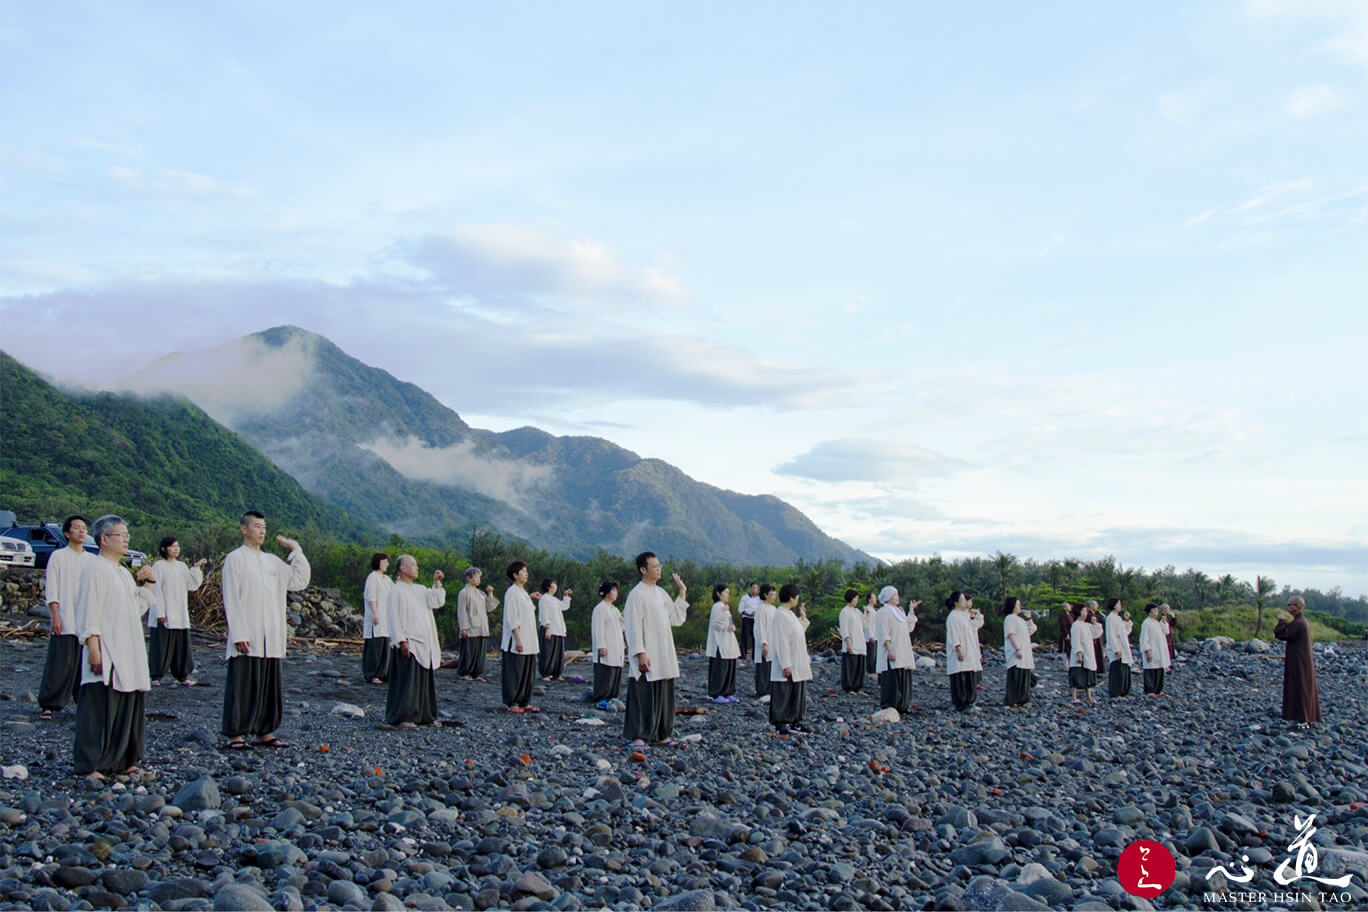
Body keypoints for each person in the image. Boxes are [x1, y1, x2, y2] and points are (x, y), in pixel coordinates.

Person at [72, 515, 156, 778]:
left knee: (128, 702)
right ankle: (91, 764)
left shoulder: (121, 572)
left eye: (127, 535)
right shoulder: (95, 569)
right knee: (99, 706)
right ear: (104, 539)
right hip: (107, 647)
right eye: (121, 535)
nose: (126, 539)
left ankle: (122, 759)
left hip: (129, 647)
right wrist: (93, 646)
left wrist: (148, 584)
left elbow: (136, 610)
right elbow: (89, 610)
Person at [220, 510, 310, 750]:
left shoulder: (272, 561)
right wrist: (238, 633)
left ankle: (265, 731)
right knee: (243, 683)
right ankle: (236, 734)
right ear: (244, 528)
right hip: (248, 633)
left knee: (269, 684)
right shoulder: (235, 558)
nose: (262, 531)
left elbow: (299, 580)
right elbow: (231, 597)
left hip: (272, 634)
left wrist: (296, 549)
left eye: (264, 527)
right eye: (257, 526)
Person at [623, 552, 689, 749]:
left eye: (660, 565)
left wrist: (682, 591)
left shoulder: (661, 593)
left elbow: (676, 618)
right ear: (643, 570)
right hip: (647, 651)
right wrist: (639, 652)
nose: (659, 569)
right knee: (642, 693)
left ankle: (661, 734)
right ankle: (639, 735)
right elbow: (633, 625)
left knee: (663, 693)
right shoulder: (637, 594)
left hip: (664, 651)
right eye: (655, 566)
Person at [39, 515, 95, 720]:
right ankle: (49, 703)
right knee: (60, 663)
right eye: (77, 528)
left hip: (86, 620)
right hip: (66, 617)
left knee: (85, 665)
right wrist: (55, 615)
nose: (82, 531)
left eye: (84, 528)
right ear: (66, 533)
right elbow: (52, 588)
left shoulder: (92, 560)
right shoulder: (59, 556)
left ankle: (86, 704)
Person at [384, 556, 446, 727]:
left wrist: (436, 583)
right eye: (413, 565)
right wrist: (401, 641)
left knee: (424, 681)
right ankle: (406, 716)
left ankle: (426, 715)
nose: (416, 568)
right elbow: (393, 617)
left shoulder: (420, 589)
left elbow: (437, 601)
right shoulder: (395, 590)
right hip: (409, 641)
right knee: (408, 682)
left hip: (424, 642)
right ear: (402, 568)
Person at [146, 537, 207, 686]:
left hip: (179, 612)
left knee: (181, 645)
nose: (176, 549)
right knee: (160, 646)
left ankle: (182, 675)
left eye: (177, 546)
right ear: (163, 549)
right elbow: (156, 590)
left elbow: (191, 585)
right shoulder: (158, 566)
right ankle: (156, 676)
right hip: (165, 612)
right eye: (172, 546)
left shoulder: (182, 567)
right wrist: (159, 611)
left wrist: (196, 568)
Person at [768, 584, 812, 735]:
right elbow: (782, 641)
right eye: (797, 597)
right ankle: (780, 722)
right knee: (783, 691)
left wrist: (804, 618)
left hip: (797, 658)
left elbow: (798, 633)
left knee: (797, 690)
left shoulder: (790, 614)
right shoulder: (780, 614)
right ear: (792, 597)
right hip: (788, 660)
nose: (797, 600)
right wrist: (785, 664)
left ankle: (795, 720)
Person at [1273, 596, 1321, 725]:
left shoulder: (1298, 623)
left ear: (1298, 607)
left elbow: (1282, 634)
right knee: (1302, 686)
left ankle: (1303, 718)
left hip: (1299, 661)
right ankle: (1303, 717)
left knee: (1301, 687)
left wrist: (1281, 621)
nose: (1288, 608)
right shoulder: (1301, 621)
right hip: (1301, 659)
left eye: (1291, 605)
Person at [500, 561, 540, 714]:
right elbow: (512, 617)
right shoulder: (512, 592)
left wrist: (530, 596)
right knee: (514, 671)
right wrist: (517, 638)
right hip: (517, 638)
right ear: (515, 575)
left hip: (529, 638)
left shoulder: (523, 592)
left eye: (526, 571)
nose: (526, 573)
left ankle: (524, 700)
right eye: (523, 571)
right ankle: (513, 702)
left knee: (527, 671)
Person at [875, 585, 917, 713]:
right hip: (892, 649)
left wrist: (911, 611)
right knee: (891, 677)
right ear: (888, 597)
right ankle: (890, 704)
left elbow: (908, 628)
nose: (897, 597)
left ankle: (902, 704)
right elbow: (884, 632)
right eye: (894, 595)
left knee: (903, 675)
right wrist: (890, 649)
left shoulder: (899, 612)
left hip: (903, 649)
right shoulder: (883, 612)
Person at [456, 567, 498, 681]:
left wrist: (490, 594)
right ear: (469, 578)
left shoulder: (481, 593)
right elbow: (461, 611)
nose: (478, 579)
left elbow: (490, 608)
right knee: (469, 650)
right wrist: (463, 628)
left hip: (482, 626)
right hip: (470, 626)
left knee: (480, 652)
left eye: (479, 577)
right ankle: (464, 672)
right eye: (476, 577)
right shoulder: (464, 592)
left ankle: (477, 673)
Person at [945, 591, 984, 711]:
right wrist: (958, 647)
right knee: (960, 675)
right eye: (962, 600)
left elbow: (976, 624)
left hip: (970, 649)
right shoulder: (953, 616)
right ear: (956, 602)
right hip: (961, 649)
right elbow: (953, 634)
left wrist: (977, 614)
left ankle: (970, 701)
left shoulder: (965, 615)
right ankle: (960, 703)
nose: (964, 602)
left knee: (969, 675)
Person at [590, 580, 625, 709]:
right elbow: (597, 629)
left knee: (615, 671)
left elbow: (621, 626)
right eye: (614, 590)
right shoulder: (600, 609)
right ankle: (601, 697)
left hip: (616, 646)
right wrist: (601, 646)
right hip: (606, 646)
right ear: (607, 593)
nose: (616, 593)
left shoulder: (614, 609)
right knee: (605, 672)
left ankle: (612, 697)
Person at [362, 553, 393, 685]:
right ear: (379, 562)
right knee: (375, 648)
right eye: (385, 562)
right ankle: (372, 674)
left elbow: (394, 592)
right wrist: (374, 613)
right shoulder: (372, 577)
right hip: (376, 616)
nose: (387, 564)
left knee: (386, 647)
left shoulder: (386, 579)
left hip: (386, 618)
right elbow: (371, 597)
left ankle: (383, 673)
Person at [536, 577, 572, 681]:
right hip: (550, 629)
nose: (556, 586)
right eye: (554, 584)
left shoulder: (554, 599)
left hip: (558, 629)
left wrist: (566, 596)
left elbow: (564, 606)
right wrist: (547, 627)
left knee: (558, 653)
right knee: (547, 652)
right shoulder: (544, 599)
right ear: (549, 586)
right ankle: (546, 673)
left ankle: (556, 673)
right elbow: (544, 614)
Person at [1003, 597, 1036, 707]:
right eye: (1017, 604)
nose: (1019, 607)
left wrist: (1029, 618)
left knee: (1024, 676)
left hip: (1024, 651)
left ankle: (1022, 700)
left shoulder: (1020, 620)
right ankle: (1012, 700)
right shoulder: (1010, 618)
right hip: (1016, 651)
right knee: (1016, 676)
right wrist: (1017, 649)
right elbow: (1011, 634)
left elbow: (1031, 630)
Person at [1068, 603, 1102, 703]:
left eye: (1086, 611)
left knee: (1088, 676)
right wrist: (1078, 653)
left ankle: (1089, 697)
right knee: (1077, 675)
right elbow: (1076, 641)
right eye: (1083, 611)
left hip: (1088, 653)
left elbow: (1096, 633)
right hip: (1081, 654)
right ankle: (1074, 696)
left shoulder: (1086, 625)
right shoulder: (1076, 625)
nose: (1085, 613)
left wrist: (1095, 623)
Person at [838, 589, 867, 694]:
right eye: (855, 598)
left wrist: (867, 614)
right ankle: (849, 687)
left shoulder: (857, 611)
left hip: (860, 641)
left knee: (860, 665)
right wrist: (848, 642)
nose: (856, 601)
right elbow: (844, 629)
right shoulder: (844, 612)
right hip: (851, 641)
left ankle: (858, 687)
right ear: (850, 598)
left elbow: (864, 625)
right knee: (850, 666)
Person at [1104, 597, 1133, 698]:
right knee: (1117, 670)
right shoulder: (1111, 618)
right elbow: (1111, 635)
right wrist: (1116, 649)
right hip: (1117, 647)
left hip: (1123, 646)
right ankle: (1115, 692)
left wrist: (1128, 622)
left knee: (1124, 669)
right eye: (1118, 604)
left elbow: (1123, 633)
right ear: (1114, 605)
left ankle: (1124, 691)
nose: (1120, 606)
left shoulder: (1118, 618)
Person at [1139, 602, 1170, 696]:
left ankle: (1158, 690)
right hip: (1152, 650)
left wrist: (1164, 622)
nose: (1157, 612)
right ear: (1150, 611)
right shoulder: (1146, 623)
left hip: (1159, 650)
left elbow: (1166, 631)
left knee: (1159, 669)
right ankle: (1150, 690)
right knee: (1150, 670)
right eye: (1155, 610)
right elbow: (1144, 638)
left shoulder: (1156, 622)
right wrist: (1147, 651)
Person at [752, 583, 777, 699]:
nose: (774, 596)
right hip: (765, 642)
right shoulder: (761, 609)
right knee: (763, 667)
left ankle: (770, 689)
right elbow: (759, 627)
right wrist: (763, 643)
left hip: (773, 641)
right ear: (765, 595)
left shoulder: (773, 608)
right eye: (772, 594)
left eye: (774, 594)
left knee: (770, 665)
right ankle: (762, 690)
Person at [738, 582, 760, 660]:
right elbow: (740, 609)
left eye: (756, 588)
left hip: (756, 619)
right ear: (750, 588)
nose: (755, 589)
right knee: (745, 637)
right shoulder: (745, 598)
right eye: (753, 587)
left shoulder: (759, 598)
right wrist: (748, 613)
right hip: (747, 619)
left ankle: (755, 655)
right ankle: (743, 655)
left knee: (756, 637)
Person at [863, 591, 880, 678]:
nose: (875, 599)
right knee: (871, 654)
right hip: (871, 635)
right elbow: (867, 624)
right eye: (873, 598)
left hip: (877, 635)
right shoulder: (867, 610)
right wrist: (870, 635)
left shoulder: (875, 610)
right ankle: (871, 671)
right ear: (869, 600)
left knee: (875, 653)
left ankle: (875, 670)